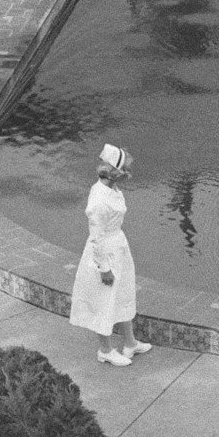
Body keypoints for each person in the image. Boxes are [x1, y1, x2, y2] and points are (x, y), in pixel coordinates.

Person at [71, 143, 149, 367]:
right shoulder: (98, 200)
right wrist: (103, 268)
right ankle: (105, 349)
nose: (128, 173)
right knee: (104, 300)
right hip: (105, 252)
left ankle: (130, 343)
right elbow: (95, 238)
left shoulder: (112, 189)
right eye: (125, 169)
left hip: (119, 246)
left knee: (123, 293)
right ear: (115, 172)